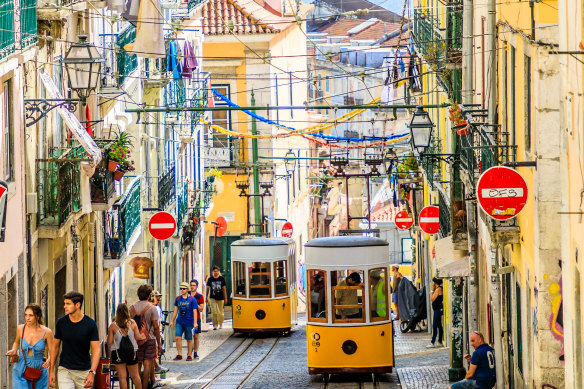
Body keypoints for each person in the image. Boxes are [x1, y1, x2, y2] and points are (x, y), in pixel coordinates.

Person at [51, 291, 100, 389]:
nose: (65, 306)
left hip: (84, 371)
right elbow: (55, 347)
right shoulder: (61, 322)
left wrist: (92, 373)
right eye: (65, 304)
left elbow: (96, 350)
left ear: (77, 305)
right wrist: (51, 370)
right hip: (65, 370)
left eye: (68, 304)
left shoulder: (90, 324)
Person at [6, 304, 54, 389]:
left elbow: (52, 351)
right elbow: (16, 342)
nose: (27, 318)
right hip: (20, 367)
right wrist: (14, 349)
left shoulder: (47, 332)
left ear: (38, 316)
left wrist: (49, 360)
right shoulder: (20, 328)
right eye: (26, 315)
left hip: (39, 368)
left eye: (31, 315)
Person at [130, 285, 162, 389]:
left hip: (136, 340)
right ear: (149, 295)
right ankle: (144, 387)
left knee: (138, 364)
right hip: (150, 339)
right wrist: (159, 343)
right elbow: (156, 327)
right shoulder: (152, 308)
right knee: (148, 364)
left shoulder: (132, 308)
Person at [106, 303, 143, 389]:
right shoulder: (133, 323)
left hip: (118, 353)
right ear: (127, 312)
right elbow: (138, 337)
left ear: (117, 313)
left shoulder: (113, 326)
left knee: (122, 377)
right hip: (132, 352)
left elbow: (109, 342)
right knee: (135, 376)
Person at [169, 282, 198, 361]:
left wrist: (195, 323)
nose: (182, 290)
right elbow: (175, 310)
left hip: (189, 322)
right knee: (178, 337)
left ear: (187, 289)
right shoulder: (178, 299)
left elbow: (195, 311)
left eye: (184, 288)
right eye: (181, 288)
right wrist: (172, 321)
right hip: (179, 321)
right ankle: (179, 354)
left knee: (189, 339)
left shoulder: (192, 299)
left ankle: (189, 355)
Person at [150, 291, 168, 379]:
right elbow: (156, 324)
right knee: (154, 355)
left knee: (156, 354)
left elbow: (159, 322)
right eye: (157, 297)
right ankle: (154, 375)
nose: (159, 299)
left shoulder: (157, 308)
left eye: (159, 297)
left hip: (156, 334)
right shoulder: (152, 308)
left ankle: (154, 374)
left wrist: (160, 333)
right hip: (152, 335)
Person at [189, 279, 205, 359]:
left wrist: (194, 303)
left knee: (195, 336)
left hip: (196, 318)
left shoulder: (200, 296)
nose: (192, 287)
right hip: (187, 318)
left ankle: (195, 352)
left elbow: (201, 309)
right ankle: (189, 353)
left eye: (194, 285)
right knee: (189, 336)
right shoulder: (186, 295)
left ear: (197, 286)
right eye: (191, 285)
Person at [427, 277, 444, 348]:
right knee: (439, 326)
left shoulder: (438, 289)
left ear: (435, 283)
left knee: (434, 325)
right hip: (437, 309)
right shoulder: (438, 289)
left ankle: (432, 342)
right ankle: (439, 341)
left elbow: (432, 299)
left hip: (437, 310)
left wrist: (431, 291)